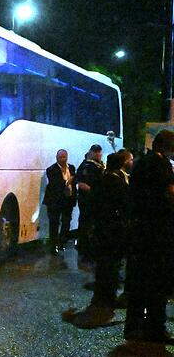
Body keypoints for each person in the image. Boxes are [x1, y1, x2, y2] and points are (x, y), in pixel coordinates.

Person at [63, 149, 133, 328]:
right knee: (110, 265)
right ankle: (106, 298)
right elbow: (124, 203)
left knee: (105, 264)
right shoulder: (115, 181)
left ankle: (103, 296)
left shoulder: (106, 179)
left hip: (104, 229)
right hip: (112, 230)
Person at [124, 130, 174, 343]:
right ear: (167, 147)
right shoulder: (161, 165)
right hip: (157, 233)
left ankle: (134, 326)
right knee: (157, 282)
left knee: (138, 281)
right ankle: (155, 327)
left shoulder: (142, 163)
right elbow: (169, 194)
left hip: (140, 231)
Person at [43, 149, 77, 254]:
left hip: (68, 200)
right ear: (57, 158)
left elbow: (75, 181)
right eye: (61, 157)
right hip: (55, 201)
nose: (63, 159)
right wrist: (67, 182)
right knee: (54, 223)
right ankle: (54, 245)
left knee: (66, 222)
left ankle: (62, 242)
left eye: (64, 157)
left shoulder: (71, 168)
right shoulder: (51, 169)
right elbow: (55, 183)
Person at [76, 144, 105, 258]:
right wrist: (95, 193)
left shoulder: (97, 165)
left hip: (94, 199)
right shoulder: (87, 166)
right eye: (96, 152)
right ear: (91, 153)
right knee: (87, 224)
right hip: (88, 200)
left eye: (99, 152)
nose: (98, 154)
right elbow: (82, 184)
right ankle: (85, 248)